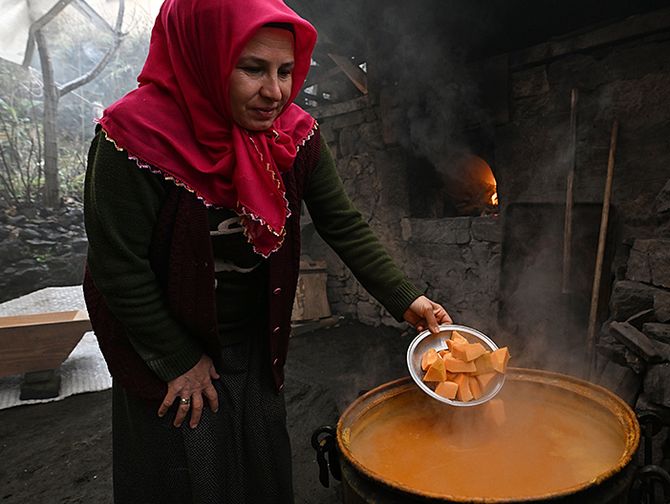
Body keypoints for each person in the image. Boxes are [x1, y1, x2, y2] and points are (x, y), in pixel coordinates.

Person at [82, 0, 452, 502]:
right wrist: (176, 358)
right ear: (204, 58)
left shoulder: (294, 136)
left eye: (286, 71)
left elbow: (342, 223)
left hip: (254, 342)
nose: (274, 92)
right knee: (188, 471)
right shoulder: (133, 140)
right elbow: (117, 267)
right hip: (166, 342)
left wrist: (409, 299)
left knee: (261, 467)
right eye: (252, 68)